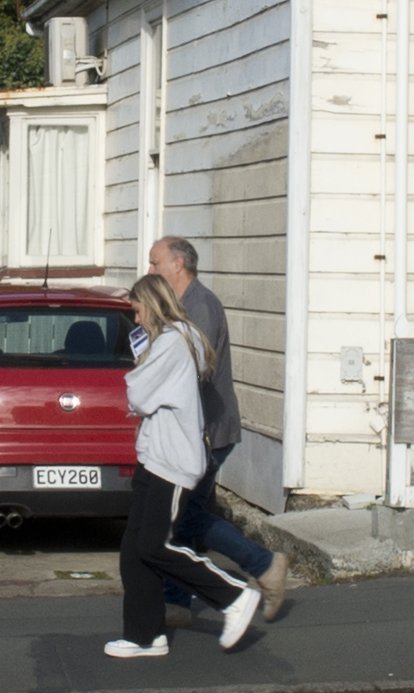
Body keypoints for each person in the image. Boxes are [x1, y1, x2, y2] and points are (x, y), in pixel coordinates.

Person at [110, 274, 259, 658]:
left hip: (172, 462)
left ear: (153, 304)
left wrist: (141, 359)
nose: (137, 320)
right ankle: (145, 636)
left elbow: (139, 395)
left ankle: (234, 596)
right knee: (134, 550)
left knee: (155, 546)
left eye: (138, 311)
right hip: (155, 455)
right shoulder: (176, 339)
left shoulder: (173, 343)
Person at [150, 236, 292, 622]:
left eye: (155, 262)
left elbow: (195, 368)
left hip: (208, 432)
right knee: (185, 515)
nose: (150, 271)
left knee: (186, 516)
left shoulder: (201, 306)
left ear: (178, 264)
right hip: (192, 432)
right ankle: (176, 602)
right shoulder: (180, 306)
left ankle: (263, 564)